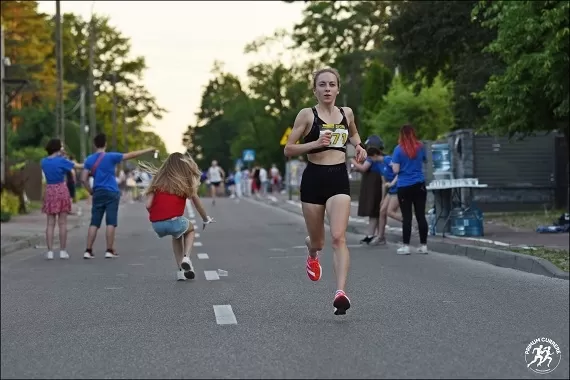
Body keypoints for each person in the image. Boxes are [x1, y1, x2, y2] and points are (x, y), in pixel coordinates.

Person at [284, 67, 367, 315]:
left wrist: (359, 146)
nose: (327, 89)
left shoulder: (346, 113)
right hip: (313, 179)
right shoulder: (307, 116)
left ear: (338, 88)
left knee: (338, 237)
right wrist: (315, 143)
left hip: (338, 178)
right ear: (315, 90)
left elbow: (353, 132)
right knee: (319, 241)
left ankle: (340, 292)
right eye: (322, 85)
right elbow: (289, 149)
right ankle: (311, 252)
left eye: (331, 85)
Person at [142, 153, 215, 281]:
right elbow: (198, 204)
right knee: (190, 229)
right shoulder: (183, 183)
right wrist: (205, 219)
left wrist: (157, 215)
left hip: (157, 224)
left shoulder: (157, 181)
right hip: (174, 221)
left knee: (177, 235)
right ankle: (186, 258)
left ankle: (181, 271)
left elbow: (148, 205)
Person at [81, 133, 155, 259]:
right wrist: (148, 149)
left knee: (94, 222)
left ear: (94, 145)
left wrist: (91, 191)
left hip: (98, 192)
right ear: (105, 144)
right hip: (111, 192)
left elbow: (83, 179)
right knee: (111, 221)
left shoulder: (89, 160)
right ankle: (109, 250)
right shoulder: (111, 157)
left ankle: (88, 250)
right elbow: (132, 154)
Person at [40, 139, 83, 260]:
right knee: (63, 223)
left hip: (50, 190)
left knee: (50, 223)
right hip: (61, 189)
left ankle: (49, 252)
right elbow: (77, 166)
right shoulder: (62, 161)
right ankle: (63, 251)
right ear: (58, 148)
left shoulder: (43, 162)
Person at [391, 124, 429, 255]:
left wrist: (398, 166)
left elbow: (395, 170)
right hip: (419, 184)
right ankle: (423, 245)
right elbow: (425, 160)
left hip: (404, 185)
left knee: (407, 217)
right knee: (421, 215)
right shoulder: (420, 147)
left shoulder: (398, 149)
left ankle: (406, 246)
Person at [350, 145, 384, 245]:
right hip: (376, 186)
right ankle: (373, 235)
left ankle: (375, 235)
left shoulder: (371, 158)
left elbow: (364, 168)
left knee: (374, 211)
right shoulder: (378, 158)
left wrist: (353, 162)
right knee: (374, 213)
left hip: (374, 187)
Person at [371, 150, 403, 245]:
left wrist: (392, 183)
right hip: (390, 190)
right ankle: (381, 237)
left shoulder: (387, 160)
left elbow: (398, 172)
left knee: (390, 212)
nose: (370, 160)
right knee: (382, 211)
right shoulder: (379, 165)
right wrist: (382, 198)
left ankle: (409, 222)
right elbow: (383, 183)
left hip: (397, 188)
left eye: (371, 158)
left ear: (375, 155)